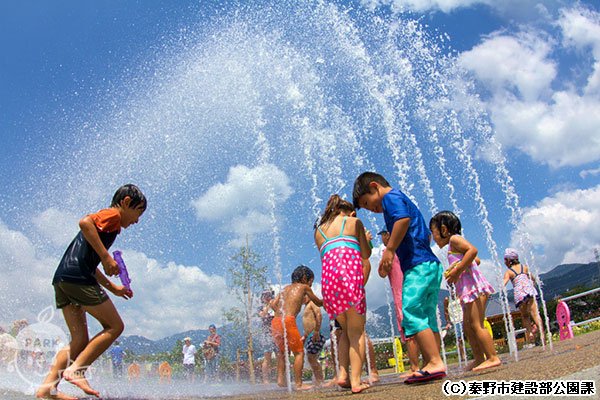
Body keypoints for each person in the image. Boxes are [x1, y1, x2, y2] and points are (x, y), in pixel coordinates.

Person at [36, 184, 146, 400]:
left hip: (63, 279)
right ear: (125, 203)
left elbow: (89, 263)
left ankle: (47, 389)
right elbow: (85, 222)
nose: (137, 220)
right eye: (138, 212)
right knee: (115, 326)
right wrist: (106, 257)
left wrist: (113, 287)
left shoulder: (105, 229)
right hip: (78, 278)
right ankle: (77, 370)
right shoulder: (112, 216)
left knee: (78, 340)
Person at [353, 172, 445, 384]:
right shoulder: (399, 198)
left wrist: (390, 249)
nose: (372, 209)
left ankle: (434, 362)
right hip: (430, 265)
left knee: (411, 311)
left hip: (417, 266)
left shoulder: (390, 198)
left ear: (375, 187)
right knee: (428, 317)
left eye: (368, 203)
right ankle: (434, 362)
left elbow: (402, 220)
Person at [314, 194, 372, 393]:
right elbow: (366, 254)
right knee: (357, 332)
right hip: (349, 278)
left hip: (329, 284)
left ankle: (343, 375)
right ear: (346, 211)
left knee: (345, 331)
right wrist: (364, 237)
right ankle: (356, 381)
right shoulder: (353, 222)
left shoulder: (319, 231)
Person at [430, 211, 500, 371]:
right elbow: (476, 260)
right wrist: (457, 266)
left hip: (475, 290)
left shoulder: (455, 239)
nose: (433, 237)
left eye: (434, 232)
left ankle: (492, 357)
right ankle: (478, 358)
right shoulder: (453, 246)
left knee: (476, 325)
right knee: (468, 327)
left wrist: (457, 270)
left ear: (444, 230)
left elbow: (473, 251)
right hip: (469, 293)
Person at [269, 265, 323, 391]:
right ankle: (298, 384)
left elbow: (272, 304)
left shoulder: (284, 289)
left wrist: (280, 311)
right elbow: (318, 302)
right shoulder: (304, 287)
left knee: (283, 352)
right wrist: (328, 301)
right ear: (305, 279)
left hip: (276, 322)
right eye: (311, 282)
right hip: (288, 321)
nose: (310, 286)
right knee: (299, 352)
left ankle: (281, 379)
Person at [378, 229, 422, 377]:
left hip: (401, 295)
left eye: (383, 235)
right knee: (420, 328)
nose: (383, 239)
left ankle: (414, 367)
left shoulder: (388, 252)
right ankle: (429, 363)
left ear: (388, 235)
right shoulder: (406, 246)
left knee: (408, 331)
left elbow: (382, 272)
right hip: (415, 291)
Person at [503, 248, 543, 346]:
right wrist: (533, 284)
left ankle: (529, 333)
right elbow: (532, 278)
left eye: (505, 260)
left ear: (509, 261)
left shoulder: (509, 272)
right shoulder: (524, 267)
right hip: (529, 291)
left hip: (519, 294)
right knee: (535, 314)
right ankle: (542, 334)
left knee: (525, 316)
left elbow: (504, 283)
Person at [301, 295, 326, 387]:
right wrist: (304, 336)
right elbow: (308, 324)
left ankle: (320, 380)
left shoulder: (312, 303)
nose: (302, 298)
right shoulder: (306, 307)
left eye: (304, 296)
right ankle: (318, 379)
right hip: (310, 335)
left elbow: (318, 314)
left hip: (316, 334)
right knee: (311, 358)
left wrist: (316, 330)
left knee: (312, 358)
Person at [258, 290, 276, 384]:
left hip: (276, 333)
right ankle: (265, 380)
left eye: (269, 295)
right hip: (267, 335)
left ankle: (281, 377)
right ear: (262, 298)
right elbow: (262, 315)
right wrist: (269, 306)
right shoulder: (261, 308)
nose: (268, 297)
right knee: (267, 358)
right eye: (266, 296)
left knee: (280, 356)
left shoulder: (276, 306)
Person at [443, 296, 465, 363]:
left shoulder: (460, 296)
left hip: (463, 318)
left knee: (470, 335)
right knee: (459, 339)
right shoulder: (447, 299)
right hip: (455, 321)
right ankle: (463, 355)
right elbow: (446, 311)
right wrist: (448, 322)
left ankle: (475, 353)